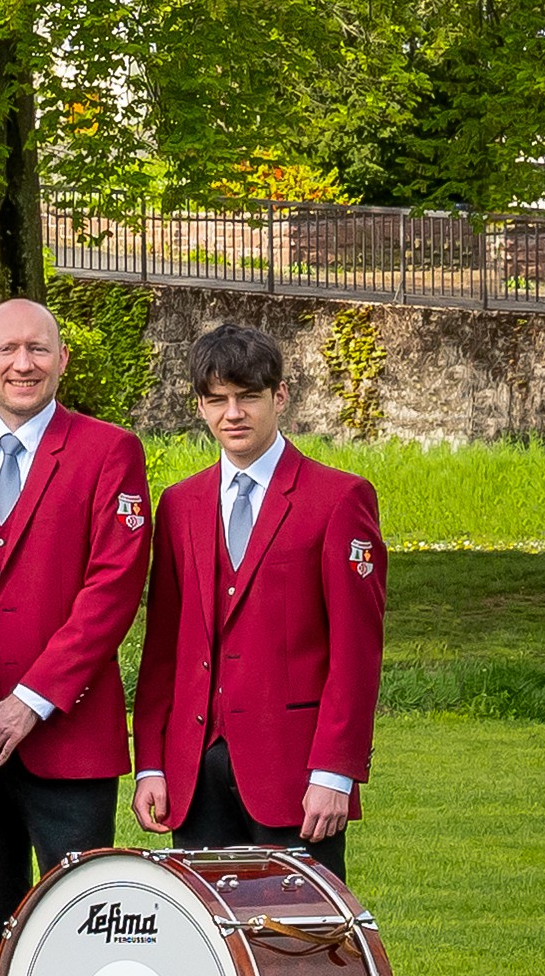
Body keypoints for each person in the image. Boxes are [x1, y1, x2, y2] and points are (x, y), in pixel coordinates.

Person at [0, 298, 153, 976]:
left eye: (38, 348)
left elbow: (113, 586)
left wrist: (32, 700)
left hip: (69, 741)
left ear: (63, 359)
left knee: (80, 930)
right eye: (5, 350)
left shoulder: (109, 452)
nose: (22, 363)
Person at [131, 323, 383, 874]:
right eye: (217, 400)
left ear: (280, 396)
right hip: (193, 773)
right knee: (208, 947)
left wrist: (334, 773)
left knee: (296, 945)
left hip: (294, 774)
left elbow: (356, 652)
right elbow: (163, 652)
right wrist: (150, 763)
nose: (233, 414)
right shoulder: (179, 504)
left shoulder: (338, 499)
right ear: (200, 407)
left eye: (248, 397)